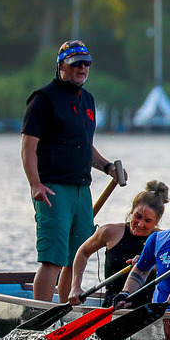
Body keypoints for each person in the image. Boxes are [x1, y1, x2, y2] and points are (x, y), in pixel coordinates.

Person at [21, 40, 126, 302]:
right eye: (76, 63)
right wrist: (35, 184)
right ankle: (41, 315)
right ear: (62, 66)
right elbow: (28, 147)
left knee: (75, 257)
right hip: (53, 190)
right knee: (52, 260)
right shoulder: (43, 100)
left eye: (87, 63)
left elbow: (84, 146)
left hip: (82, 189)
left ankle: (64, 315)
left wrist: (107, 167)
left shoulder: (87, 100)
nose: (82, 68)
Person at [67, 180, 169, 306]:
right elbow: (82, 252)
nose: (140, 224)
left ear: (157, 221)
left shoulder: (163, 239)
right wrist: (75, 287)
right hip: (113, 304)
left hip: (147, 306)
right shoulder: (110, 232)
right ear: (132, 211)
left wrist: (146, 265)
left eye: (148, 220)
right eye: (137, 216)